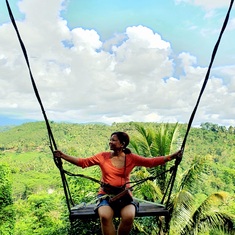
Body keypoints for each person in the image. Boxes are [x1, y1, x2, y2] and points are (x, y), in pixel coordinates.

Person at [54, 131, 182, 235]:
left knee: (129, 216)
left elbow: (150, 162)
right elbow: (83, 162)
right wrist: (63, 156)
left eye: (114, 140)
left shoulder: (131, 158)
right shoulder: (103, 156)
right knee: (104, 216)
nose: (110, 142)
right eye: (110, 139)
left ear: (122, 144)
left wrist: (172, 157)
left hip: (124, 196)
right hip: (106, 196)